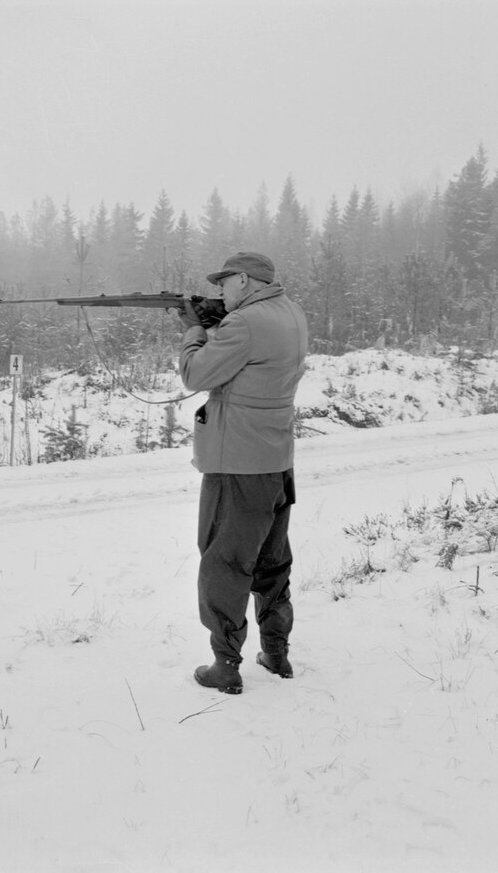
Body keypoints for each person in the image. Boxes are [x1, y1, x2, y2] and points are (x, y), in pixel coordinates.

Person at [176, 251, 308, 694]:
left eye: (226, 282)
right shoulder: (290, 313)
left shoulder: (244, 324)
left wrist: (194, 331)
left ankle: (225, 665)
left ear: (246, 282)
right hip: (275, 459)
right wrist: (217, 326)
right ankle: (276, 651)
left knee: (224, 561)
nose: (220, 291)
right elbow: (249, 365)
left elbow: (196, 373)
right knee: (271, 562)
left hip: (236, 463)